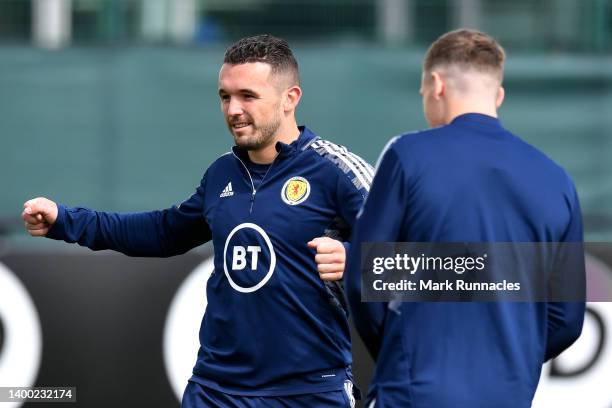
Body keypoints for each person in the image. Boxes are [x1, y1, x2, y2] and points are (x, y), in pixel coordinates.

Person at [23, 34, 371, 407]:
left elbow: (429, 268)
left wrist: (355, 261)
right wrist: (65, 221)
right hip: (215, 390)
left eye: (248, 96)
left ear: (291, 98)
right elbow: (163, 232)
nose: (233, 109)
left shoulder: (335, 170)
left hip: (307, 393)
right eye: (225, 97)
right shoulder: (223, 173)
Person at [344, 29, 585, 407]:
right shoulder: (557, 180)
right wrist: (506, 360)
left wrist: (399, 351)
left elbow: (363, 277)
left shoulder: (408, 155)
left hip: (414, 392)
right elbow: (567, 319)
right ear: (498, 95)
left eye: (423, 92)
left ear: (437, 85)